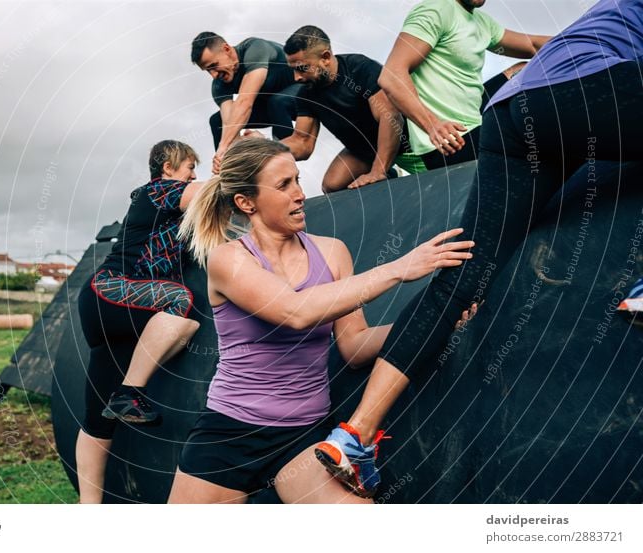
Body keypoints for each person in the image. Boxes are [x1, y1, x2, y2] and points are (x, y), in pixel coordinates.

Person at [316, 0, 643, 498]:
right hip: (586, 93)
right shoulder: (436, 12)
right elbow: (393, 74)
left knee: (464, 272)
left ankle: (355, 435)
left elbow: (538, 46)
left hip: (514, 113)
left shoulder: (595, 19)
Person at [167, 138, 476, 503]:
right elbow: (294, 312)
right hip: (231, 434)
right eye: (283, 185)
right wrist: (398, 269)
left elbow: (354, 346)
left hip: (302, 434)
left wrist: (435, 323)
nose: (299, 194)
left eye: (297, 180)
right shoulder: (228, 260)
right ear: (246, 202)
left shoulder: (331, 252)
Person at [75, 140, 203, 503]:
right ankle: (131, 392)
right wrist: (233, 158)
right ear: (167, 168)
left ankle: (88, 507)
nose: (194, 174)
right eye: (189, 167)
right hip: (112, 291)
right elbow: (210, 192)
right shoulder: (158, 192)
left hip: (116, 313)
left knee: (96, 420)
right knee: (180, 301)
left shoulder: (170, 213)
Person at [378, 0, 550, 172]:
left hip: (476, 125)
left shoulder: (481, 21)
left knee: (525, 69)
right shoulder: (436, 10)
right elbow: (392, 76)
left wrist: (575, 40)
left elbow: (532, 45)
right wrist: (433, 126)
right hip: (451, 142)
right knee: (542, 134)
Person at [279, 25, 406, 193]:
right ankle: (391, 174)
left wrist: (378, 171)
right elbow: (302, 142)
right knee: (332, 186)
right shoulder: (306, 94)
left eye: (302, 68)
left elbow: (390, 117)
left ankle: (386, 170)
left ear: (325, 57)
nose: (297, 77)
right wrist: (261, 150)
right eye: (293, 69)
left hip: (403, 142)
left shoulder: (359, 68)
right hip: (363, 151)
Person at [191, 32, 302, 173]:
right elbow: (230, 124)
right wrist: (225, 154)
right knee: (217, 122)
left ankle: (284, 164)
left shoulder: (254, 48)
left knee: (276, 101)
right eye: (208, 70)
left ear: (227, 49)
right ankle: (234, 177)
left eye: (214, 65)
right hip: (272, 108)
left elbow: (245, 102)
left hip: (304, 94)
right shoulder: (219, 85)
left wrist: (223, 146)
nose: (214, 75)